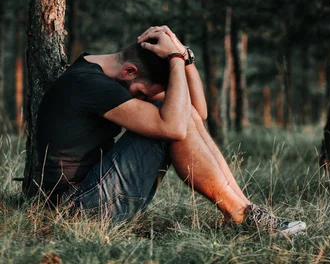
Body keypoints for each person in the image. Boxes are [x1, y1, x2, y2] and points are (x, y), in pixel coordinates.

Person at [37, 25, 306, 236]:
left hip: (93, 195)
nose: (142, 98)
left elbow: (195, 114)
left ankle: (244, 213)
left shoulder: (104, 73)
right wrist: (175, 58)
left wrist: (184, 57)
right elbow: (176, 127)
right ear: (130, 71)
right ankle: (242, 217)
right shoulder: (89, 84)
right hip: (78, 209)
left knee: (178, 114)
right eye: (142, 93)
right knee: (171, 123)